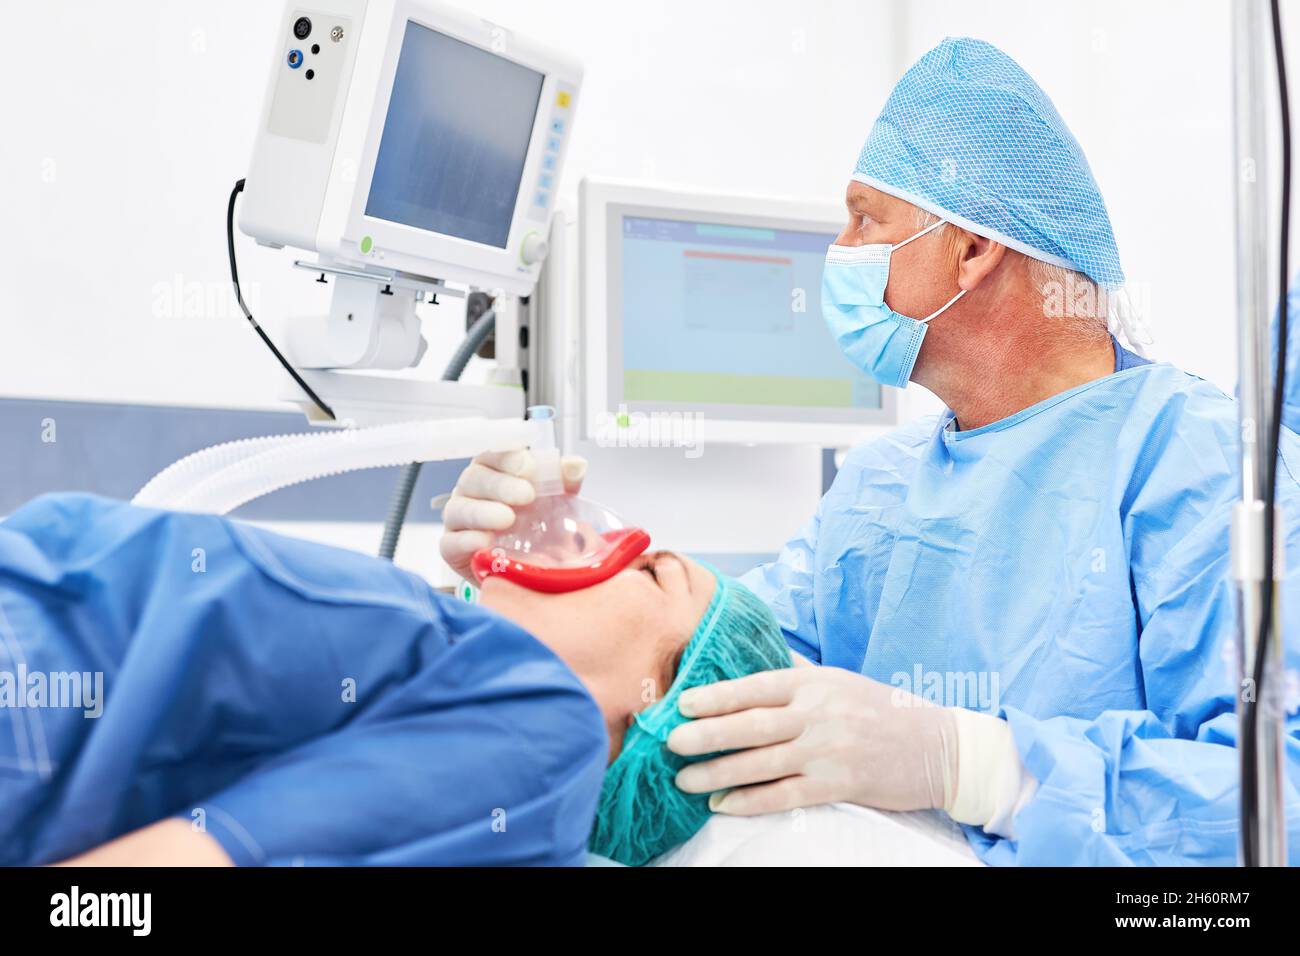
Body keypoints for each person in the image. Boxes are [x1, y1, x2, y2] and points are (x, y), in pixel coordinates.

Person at [440, 37, 1300, 865]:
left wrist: (979, 768)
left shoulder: (1202, 466)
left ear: (972, 249)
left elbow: (1280, 798)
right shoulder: (881, 489)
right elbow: (714, 664)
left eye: (864, 220)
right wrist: (521, 567)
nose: (840, 254)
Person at [0, 492, 788, 866]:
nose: (597, 534)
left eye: (651, 571)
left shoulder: (551, 730)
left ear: (658, 712)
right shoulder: (458, 660)